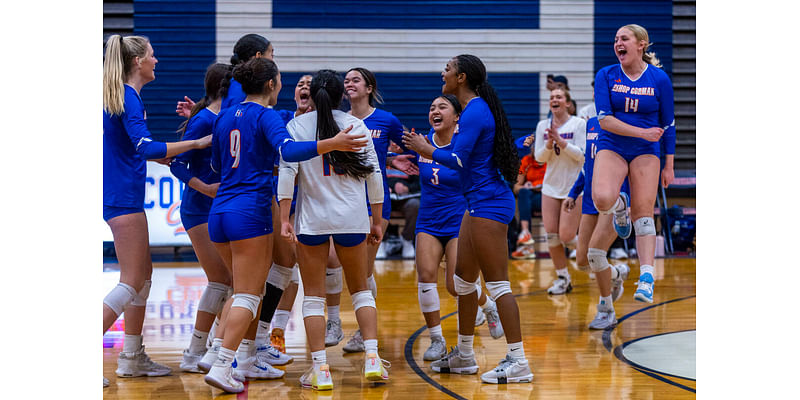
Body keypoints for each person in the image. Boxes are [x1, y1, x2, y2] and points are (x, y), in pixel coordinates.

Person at [202, 59, 367, 393]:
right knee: (249, 294)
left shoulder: (222, 117)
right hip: (249, 212)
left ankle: (238, 359)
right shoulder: (264, 116)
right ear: (270, 86)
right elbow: (288, 151)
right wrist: (330, 144)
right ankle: (221, 363)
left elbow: (217, 164)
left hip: (218, 212)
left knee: (243, 289)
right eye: (279, 80)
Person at [403, 54, 533, 384]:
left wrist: (424, 148)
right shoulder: (474, 109)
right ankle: (463, 354)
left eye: (447, 68)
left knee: (499, 284)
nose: (442, 73)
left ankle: (518, 361)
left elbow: (458, 159)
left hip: (489, 203)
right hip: (474, 204)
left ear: (461, 78)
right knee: (463, 282)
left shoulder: (474, 109)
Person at [102, 34, 213, 387]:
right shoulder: (127, 96)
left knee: (144, 276)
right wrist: (196, 142)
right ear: (138, 62)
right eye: (152, 55)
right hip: (121, 196)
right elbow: (145, 147)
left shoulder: (124, 94)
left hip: (123, 193)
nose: (157, 60)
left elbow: (138, 151)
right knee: (133, 280)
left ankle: (132, 356)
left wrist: (175, 155)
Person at [278, 69, 389, 390]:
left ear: (311, 94)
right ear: (343, 94)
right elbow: (375, 177)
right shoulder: (356, 125)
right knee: (361, 291)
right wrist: (377, 219)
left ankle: (320, 370)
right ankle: (372, 359)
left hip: (312, 221)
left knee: (313, 297)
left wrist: (285, 217)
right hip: (353, 219)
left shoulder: (297, 126)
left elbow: (287, 176)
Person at [414, 95, 504, 362]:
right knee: (425, 276)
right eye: (432, 107)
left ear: (456, 117)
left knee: (455, 284)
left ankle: (488, 307)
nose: (435, 111)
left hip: (458, 220)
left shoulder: (465, 146)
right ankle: (437, 340)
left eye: (442, 107)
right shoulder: (421, 142)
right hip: (428, 220)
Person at [592, 24, 675, 304]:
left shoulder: (659, 79)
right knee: (603, 199)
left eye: (624, 38)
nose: (618, 43)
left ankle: (647, 276)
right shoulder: (606, 75)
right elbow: (605, 120)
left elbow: (669, 124)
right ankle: (619, 209)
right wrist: (641, 131)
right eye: (615, 39)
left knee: (644, 213)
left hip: (646, 151)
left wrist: (669, 164)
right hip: (613, 144)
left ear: (641, 44)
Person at [326, 67, 407, 353]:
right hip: (342, 201)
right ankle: (333, 322)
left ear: (369, 87)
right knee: (332, 261)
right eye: (346, 80)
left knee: (363, 270)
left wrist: (394, 159)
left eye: (355, 79)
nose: (349, 83)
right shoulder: (338, 121)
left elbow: (404, 144)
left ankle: (363, 331)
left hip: (374, 203)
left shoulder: (386, 120)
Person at [168, 63, 234, 373]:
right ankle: (194, 351)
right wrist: (205, 187)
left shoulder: (224, 118)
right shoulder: (203, 120)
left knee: (231, 282)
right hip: (199, 208)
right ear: (227, 87)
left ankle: (213, 346)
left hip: (221, 208)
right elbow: (177, 165)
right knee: (222, 280)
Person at [563, 116, 630, 329]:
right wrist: (574, 193)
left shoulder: (628, 122)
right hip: (591, 199)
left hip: (615, 196)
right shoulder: (592, 123)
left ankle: (607, 310)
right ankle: (617, 273)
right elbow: (587, 165)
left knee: (596, 253)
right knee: (582, 261)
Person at [264, 74, 315, 355]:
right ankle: (229, 332)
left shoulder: (325, 125)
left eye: (310, 85)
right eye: (300, 84)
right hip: (274, 198)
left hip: (305, 203)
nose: (304, 87)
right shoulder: (280, 117)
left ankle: (276, 333)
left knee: (291, 270)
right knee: (278, 269)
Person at [533, 88, 586, 295]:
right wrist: (548, 144)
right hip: (550, 187)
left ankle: (593, 255)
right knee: (552, 237)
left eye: (559, 97)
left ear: (567, 103)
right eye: (552, 97)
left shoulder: (578, 124)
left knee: (566, 236)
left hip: (573, 188)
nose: (554, 100)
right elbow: (539, 158)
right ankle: (563, 278)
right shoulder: (542, 126)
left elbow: (581, 156)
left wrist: (562, 143)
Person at [176, 34, 274, 117]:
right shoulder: (245, 89)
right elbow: (231, 126)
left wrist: (203, 114)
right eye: (271, 55)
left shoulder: (231, 83)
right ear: (258, 56)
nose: (273, 61)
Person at [510, 147, 546, 260]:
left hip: (547, 196)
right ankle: (525, 233)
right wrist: (525, 187)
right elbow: (516, 186)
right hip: (531, 197)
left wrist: (539, 186)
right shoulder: (526, 161)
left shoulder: (551, 160)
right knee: (524, 193)